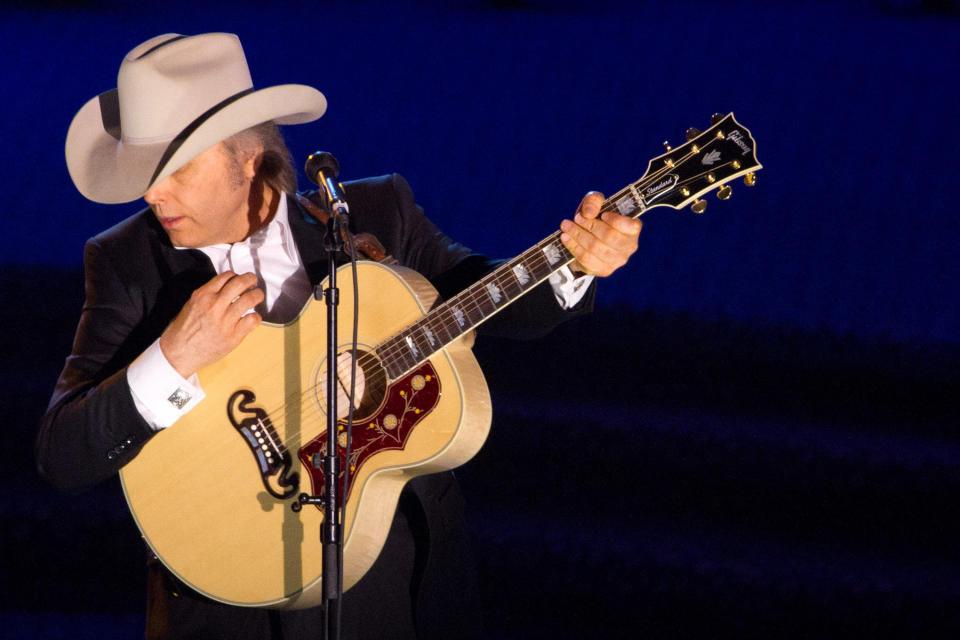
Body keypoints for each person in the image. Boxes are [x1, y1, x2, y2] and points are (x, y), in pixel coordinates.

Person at [36, 32, 641, 639]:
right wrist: (173, 357)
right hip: (227, 598)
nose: (152, 193)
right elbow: (63, 455)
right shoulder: (127, 261)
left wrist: (576, 264)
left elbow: (484, 297)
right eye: (145, 170)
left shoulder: (377, 213)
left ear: (247, 155)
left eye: (177, 169)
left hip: (389, 578)